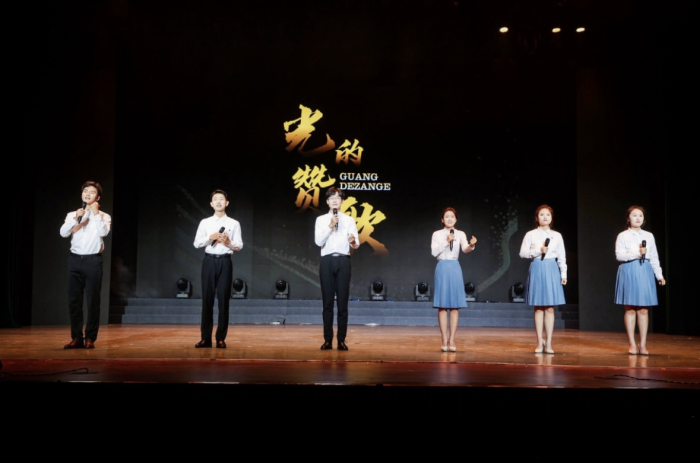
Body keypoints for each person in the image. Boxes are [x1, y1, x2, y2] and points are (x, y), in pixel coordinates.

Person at [59, 180, 112, 349]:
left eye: (92, 192)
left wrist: (95, 214)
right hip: (74, 260)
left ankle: (90, 338)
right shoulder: (72, 214)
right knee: (74, 301)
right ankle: (76, 337)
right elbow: (63, 233)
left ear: (98, 197)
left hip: (92, 261)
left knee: (92, 301)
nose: (87, 194)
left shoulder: (104, 216)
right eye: (85, 191)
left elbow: (104, 232)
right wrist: (76, 218)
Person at [192, 189, 243, 348]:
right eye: (215, 199)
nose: (218, 202)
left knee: (223, 300)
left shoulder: (234, 223)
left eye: (221, 199)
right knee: (207, 300)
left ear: (227, 203)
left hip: (225, 262)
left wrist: (228, 242)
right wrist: (210, 238)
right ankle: (205, 338)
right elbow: (196, 243)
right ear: (211, 204)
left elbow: (239, 246)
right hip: (209, 261)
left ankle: (221, 338)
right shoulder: (205, 222)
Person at [615, 205, 665, 355]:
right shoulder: (623, 235)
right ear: (628, 218)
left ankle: (642, 344)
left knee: (643, 310)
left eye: (641, 216)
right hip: (629, 270)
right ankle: (631, 343)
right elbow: (619, 255)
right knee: (630, 309)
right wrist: (638, 253)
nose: (638, 218)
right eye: (634, 215)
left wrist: (659, 275)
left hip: (645, 270)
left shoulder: (649, 236)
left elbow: (654, 257)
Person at [314, 187, 360, 351]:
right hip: (327, 260)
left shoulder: (349, 220)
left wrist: (353, 241)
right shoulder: (321, 220)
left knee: (342, 303)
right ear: (327, 202)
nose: (335, 200)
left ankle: (341, 340)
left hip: (343, 260)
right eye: (332, 198)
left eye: (338, 198)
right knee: (327, 303)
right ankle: (327, 340)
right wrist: (330, 226)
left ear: (342, 201)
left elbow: (356, 244)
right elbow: (318, 242)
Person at [519, 204, 567, 354]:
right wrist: (538, 250)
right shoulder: (531, 234)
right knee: (538, 307)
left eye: (548, 214)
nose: (545, 217)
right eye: (541, 214)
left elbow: (562, 256)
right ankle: (540, 342)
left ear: (551, 218)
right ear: (537, 218)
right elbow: (522, 253)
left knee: (550, 308)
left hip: (552, 268)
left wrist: (564, 274)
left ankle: (549, 342)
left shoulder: (557, 235)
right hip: (537, 267)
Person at [431, 207, 477, 352]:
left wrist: (471, 245)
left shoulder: (460, 233)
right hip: (442, 266)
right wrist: (447, 241)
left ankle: (452, 340)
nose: (449, 219)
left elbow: (465, 249)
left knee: (454, 306)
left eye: (452, 216)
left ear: (456, 219)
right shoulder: (437, 234)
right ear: (442, 219)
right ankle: (444, 339)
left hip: (454, 267)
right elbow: (434, 252)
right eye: (447, 216)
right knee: (442, 305)